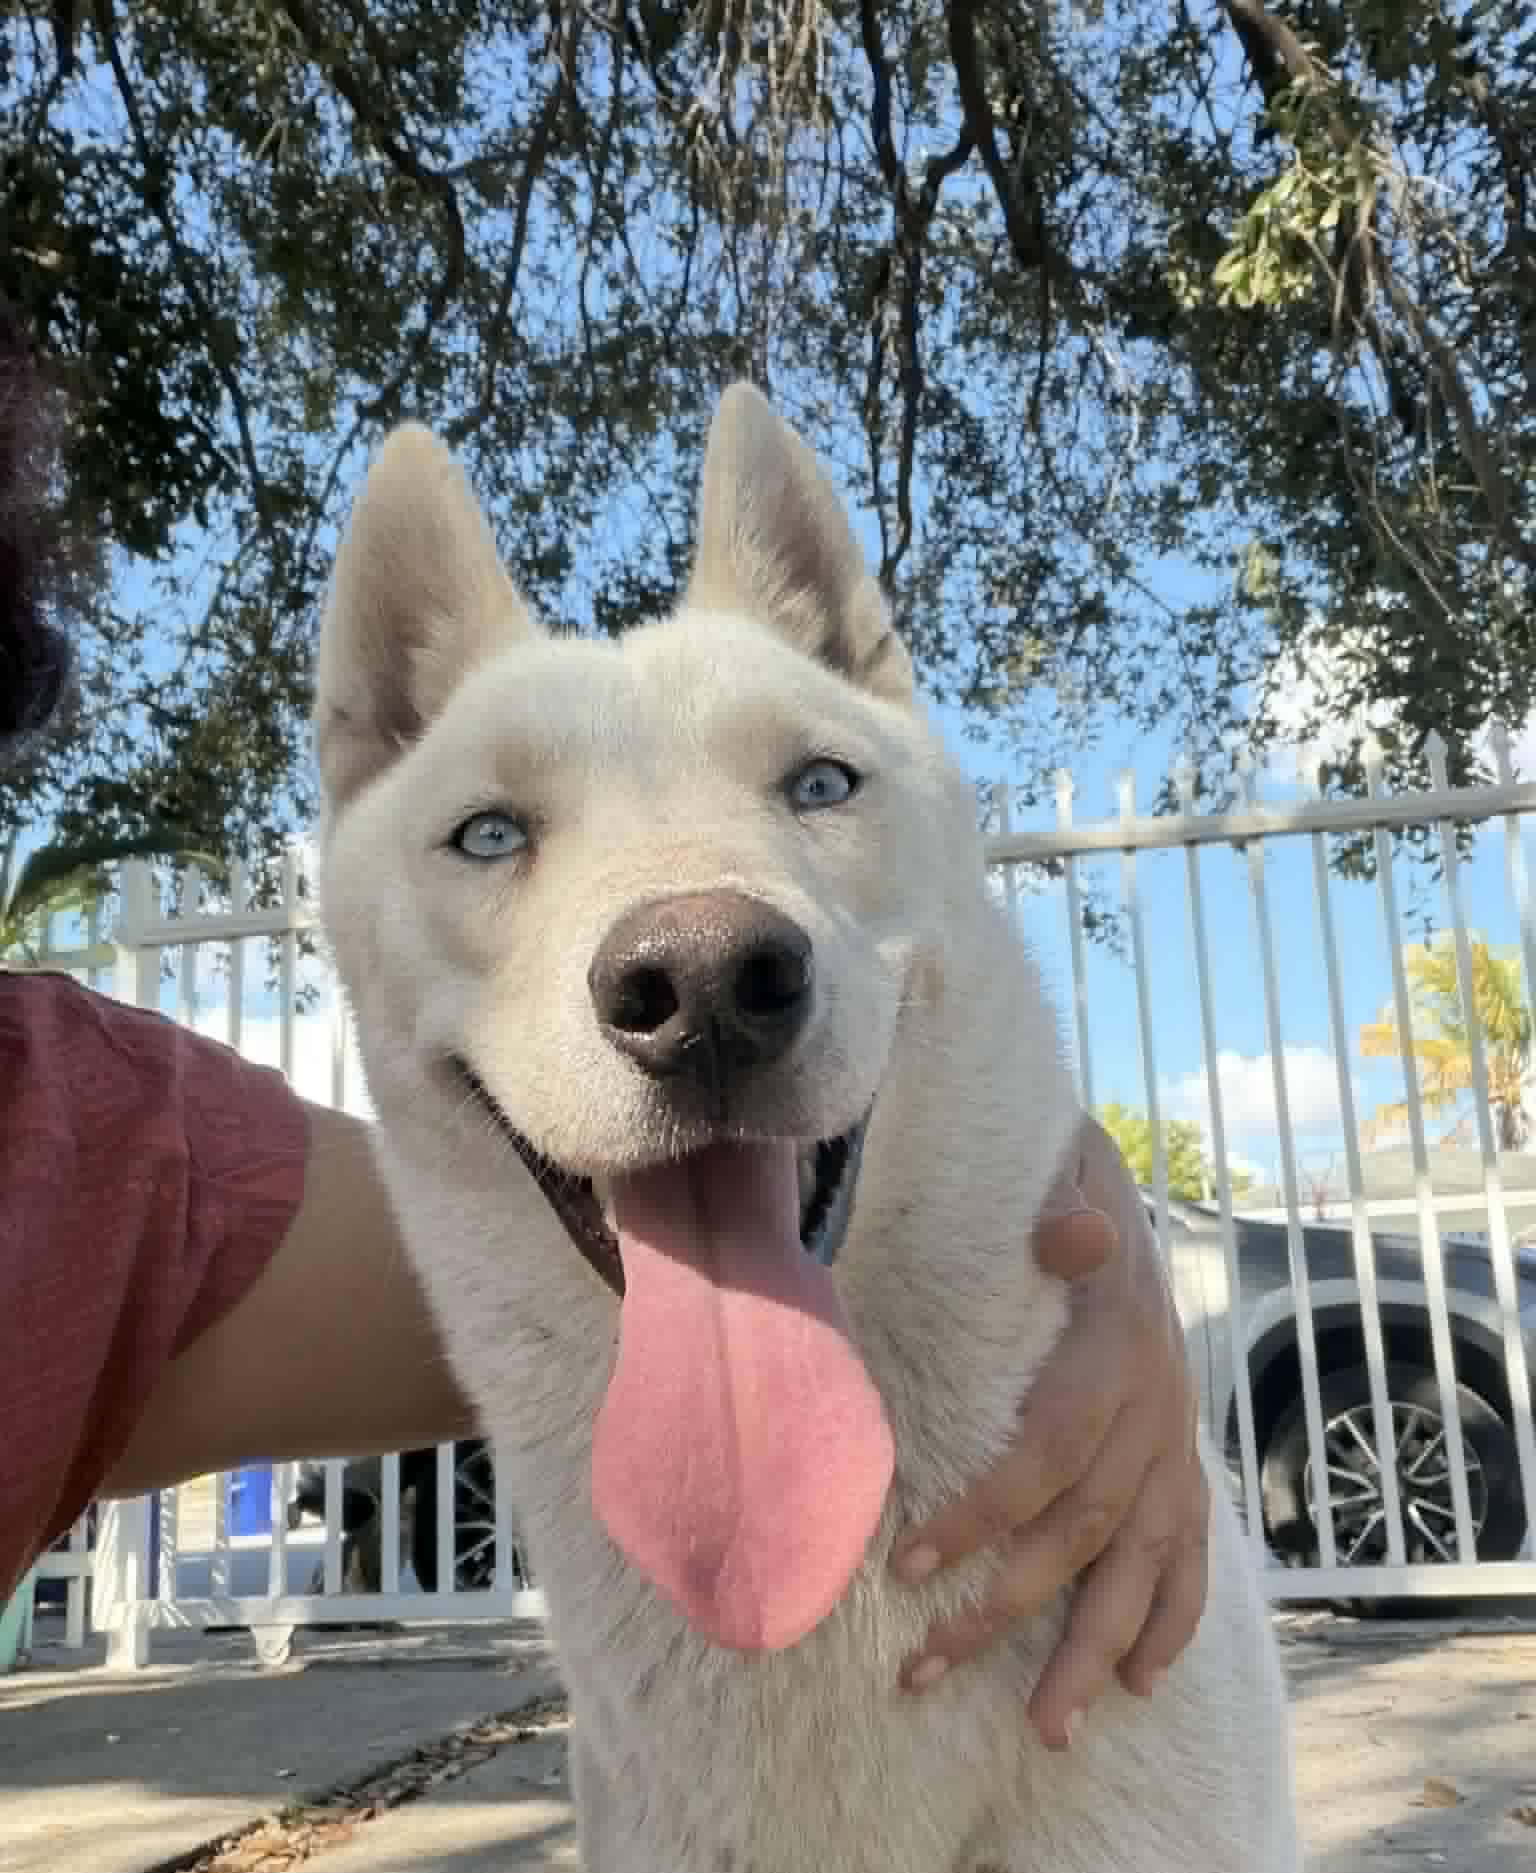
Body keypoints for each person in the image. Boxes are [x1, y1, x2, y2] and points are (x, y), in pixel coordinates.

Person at [0, 299, 1208, 1750]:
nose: (693, 952)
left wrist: (1093, 1247)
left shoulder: (84, 1178)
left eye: (814, 785)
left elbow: (493, 1278)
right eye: (495, 829)